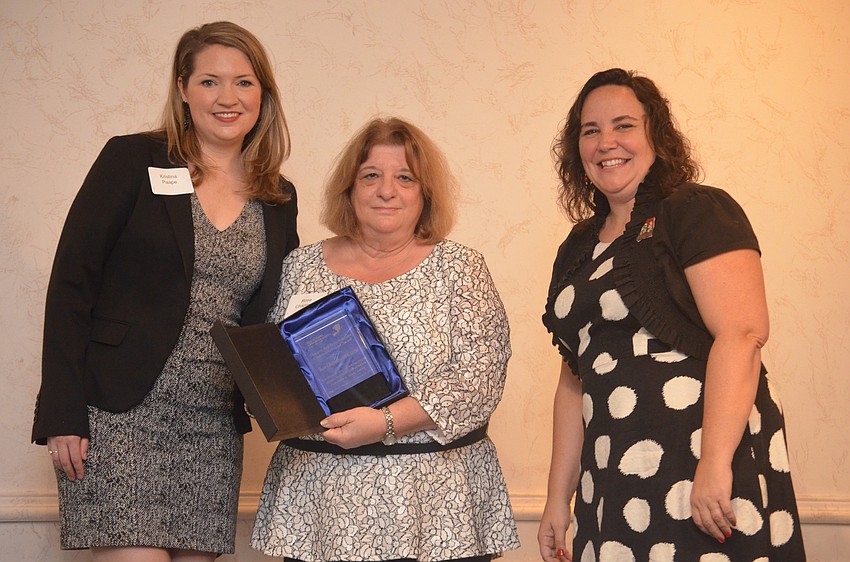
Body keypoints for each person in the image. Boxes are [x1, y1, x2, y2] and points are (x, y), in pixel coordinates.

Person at [30, 21, 298, 561]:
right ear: (182, 89)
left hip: (212, 421)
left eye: (244, 82)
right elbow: (71, 285)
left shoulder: (278, 195)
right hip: (120, 411)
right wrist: (61, 412)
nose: (228, 98)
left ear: (264, 93)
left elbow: (278, 311)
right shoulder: (132, 159)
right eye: (209, 82)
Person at [537, 68, 806, 561]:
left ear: (656, 136)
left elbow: (743, 334)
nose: (606, 142)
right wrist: (559, 497)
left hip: (701, 465)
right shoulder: (577, 248)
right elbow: (574, 380)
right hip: (612, 476)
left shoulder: (696, 210)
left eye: (623, 125)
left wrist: (715, 464)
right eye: (590, 131)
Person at [251, 117, 520, 562]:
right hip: (321, 507)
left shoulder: (460, 268)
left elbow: (478, 381)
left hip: (438, 508)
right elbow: (277, 365)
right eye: (371, 175)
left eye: (405, 178)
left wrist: (386, 423)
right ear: (350, 188)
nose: (386, 190)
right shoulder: (300, 266)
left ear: (425, 193)